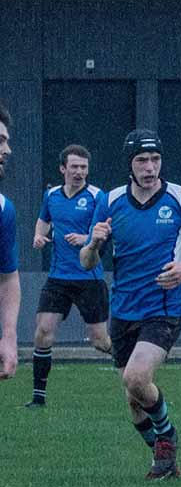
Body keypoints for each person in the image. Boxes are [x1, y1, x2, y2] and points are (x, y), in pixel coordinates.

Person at [80, 130, 181, 479]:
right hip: (124, 309)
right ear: (129, 164)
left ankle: (168, 437)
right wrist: (94, 243)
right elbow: (85, 261)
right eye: (142, 160)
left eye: (155, 159)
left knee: (137, 377)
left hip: (165, 306)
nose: (150, 167)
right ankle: (165, 458)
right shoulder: (110, 200)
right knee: (133, 400)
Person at [27, 144, 111, 406]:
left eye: (83, 167)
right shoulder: (51, 195)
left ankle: (133, 365)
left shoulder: (98, 196)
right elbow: (44, 220)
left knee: (99, 341)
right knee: (43, 332)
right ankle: (38, 398)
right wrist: (38, 236)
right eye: (74, 167)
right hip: (58, 277)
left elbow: (103, 230)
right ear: (63, 168)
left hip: (89, 277)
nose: (79, 172)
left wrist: (85, 239)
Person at [0, 106, 18, 390]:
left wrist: (9, 337)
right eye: (1, 140)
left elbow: (7, 277)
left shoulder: (3, 208)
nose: (8, 150)